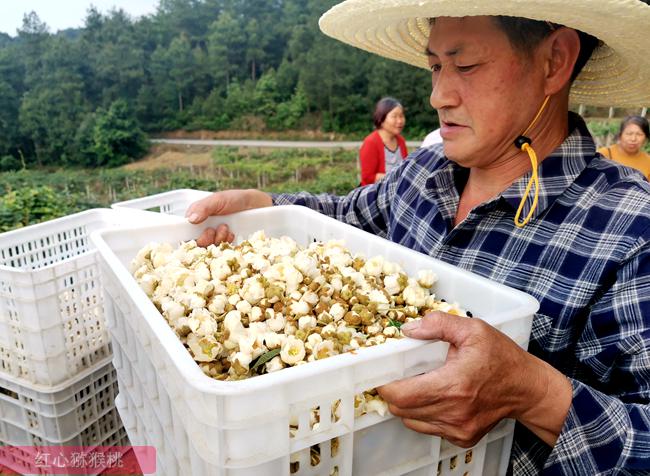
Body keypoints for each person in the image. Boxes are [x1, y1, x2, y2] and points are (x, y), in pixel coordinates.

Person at [185, 1, 650, 474]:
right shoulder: (422, 174)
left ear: (554, 61)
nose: (438, 96)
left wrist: (533, 393)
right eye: (435, 66)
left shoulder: (632, 228)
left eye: (465, 65)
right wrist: (264, 204)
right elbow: (346, 215)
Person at [358, 97, 408, 185]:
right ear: (381, 118)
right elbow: (368, 177)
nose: (400, 121)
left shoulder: (401, 141)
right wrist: (396, 176)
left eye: (401, 116)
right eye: (394, 116)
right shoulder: (371, 143)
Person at [598, 115, 650, 179]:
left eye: (639, 134)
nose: (633, 139)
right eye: (629, 133)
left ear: (646, 138)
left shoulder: (648, 161)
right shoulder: (603, 154)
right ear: (620, 135)